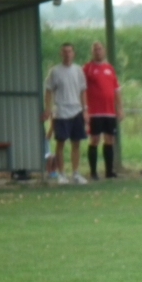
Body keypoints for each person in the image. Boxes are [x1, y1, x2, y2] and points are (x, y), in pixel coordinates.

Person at [42, 42, 88, 185]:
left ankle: (75, 173)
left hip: (77, 111)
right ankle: (62, 174)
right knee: (60, 143)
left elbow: (83, 90)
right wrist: (49, 108)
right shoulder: (55, 71)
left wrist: (85, 110)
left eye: (70, 51)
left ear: (73, 53)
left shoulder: (78, 70)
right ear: (61, 54)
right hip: (61, 112)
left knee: (76, 143)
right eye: (65, 52)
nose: (67, 54)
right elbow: (48, 91)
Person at [83, 41, 123, 180]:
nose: (98, 52)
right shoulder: (87, 68)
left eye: (100, 49)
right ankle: (93, 172)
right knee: (94, 139)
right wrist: (85, 109)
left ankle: (109, 171)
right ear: (92, 52)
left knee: (110, 139)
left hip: (109, 111)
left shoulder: (110, 68)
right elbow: (82, 90)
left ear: (104, 51)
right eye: (95, 49)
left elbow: (116, 89)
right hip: (95, 111)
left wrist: (120, 108)